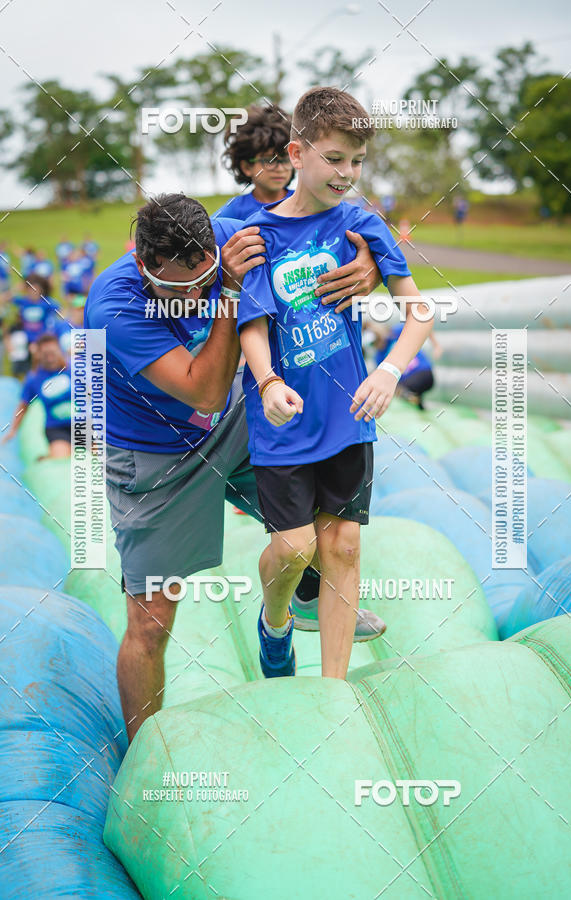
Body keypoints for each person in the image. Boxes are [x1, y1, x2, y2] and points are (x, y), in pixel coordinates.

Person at [84, 192, 384, 742]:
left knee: (321, 526)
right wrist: (225, 292)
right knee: (150, 622)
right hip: (156, 457)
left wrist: (369, 263)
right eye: (182, 288)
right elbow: (206, 388)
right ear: (145, 263)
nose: (194, 293)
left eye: (207, 275)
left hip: (235, 421)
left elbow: (337, 207)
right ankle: (147, 759)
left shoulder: (231, 234)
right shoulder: (115, 305)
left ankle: (296, 604)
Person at [236, 86, 433, 680]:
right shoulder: (257, 235)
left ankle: (333, 689)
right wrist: (268, 383)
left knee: (343, 545)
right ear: (296, 154)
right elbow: (251, 324)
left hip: (349, 413)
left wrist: (390, 369)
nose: (348, 173)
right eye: (334, 158)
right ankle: (276, 623)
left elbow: (418, 313)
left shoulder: (363, 225)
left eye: (357, 160)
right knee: (295, 549)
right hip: (284, 419)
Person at [214, 104, 295, 220]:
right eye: (269, 161)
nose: (280, 168)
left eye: (286, 160)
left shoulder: (307, 204)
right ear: (246, 167)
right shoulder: (234, 210)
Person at [2, 333, 71, 458]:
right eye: (46, 354)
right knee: (62, 457)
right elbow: (23, 407)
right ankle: (49, 456)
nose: (50, 357)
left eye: (53, 352)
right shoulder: (34, 379)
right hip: (57, 428)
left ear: (59, 350)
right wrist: (13, 431)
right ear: (39, 354)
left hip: (83, 423)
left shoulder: (73, 370)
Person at [373, 322, 442, 410]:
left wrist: (436, 345)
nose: (379, 345)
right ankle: (419, 406)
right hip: (407, 382)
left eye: (378, 340)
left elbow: (423, 324)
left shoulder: (395, 332)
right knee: (401, 392)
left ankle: (413, 399)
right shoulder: (378, 356)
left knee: (400, 390)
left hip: (423, 372)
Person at [11, 274, 61, 357]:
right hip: (26, 338)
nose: (33, 292)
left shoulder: (46, 302)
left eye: (36, 289)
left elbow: (61, 312)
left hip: (41, 338)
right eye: (30, 289)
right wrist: (16, 289)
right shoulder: (24, 301)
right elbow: (4, 298)